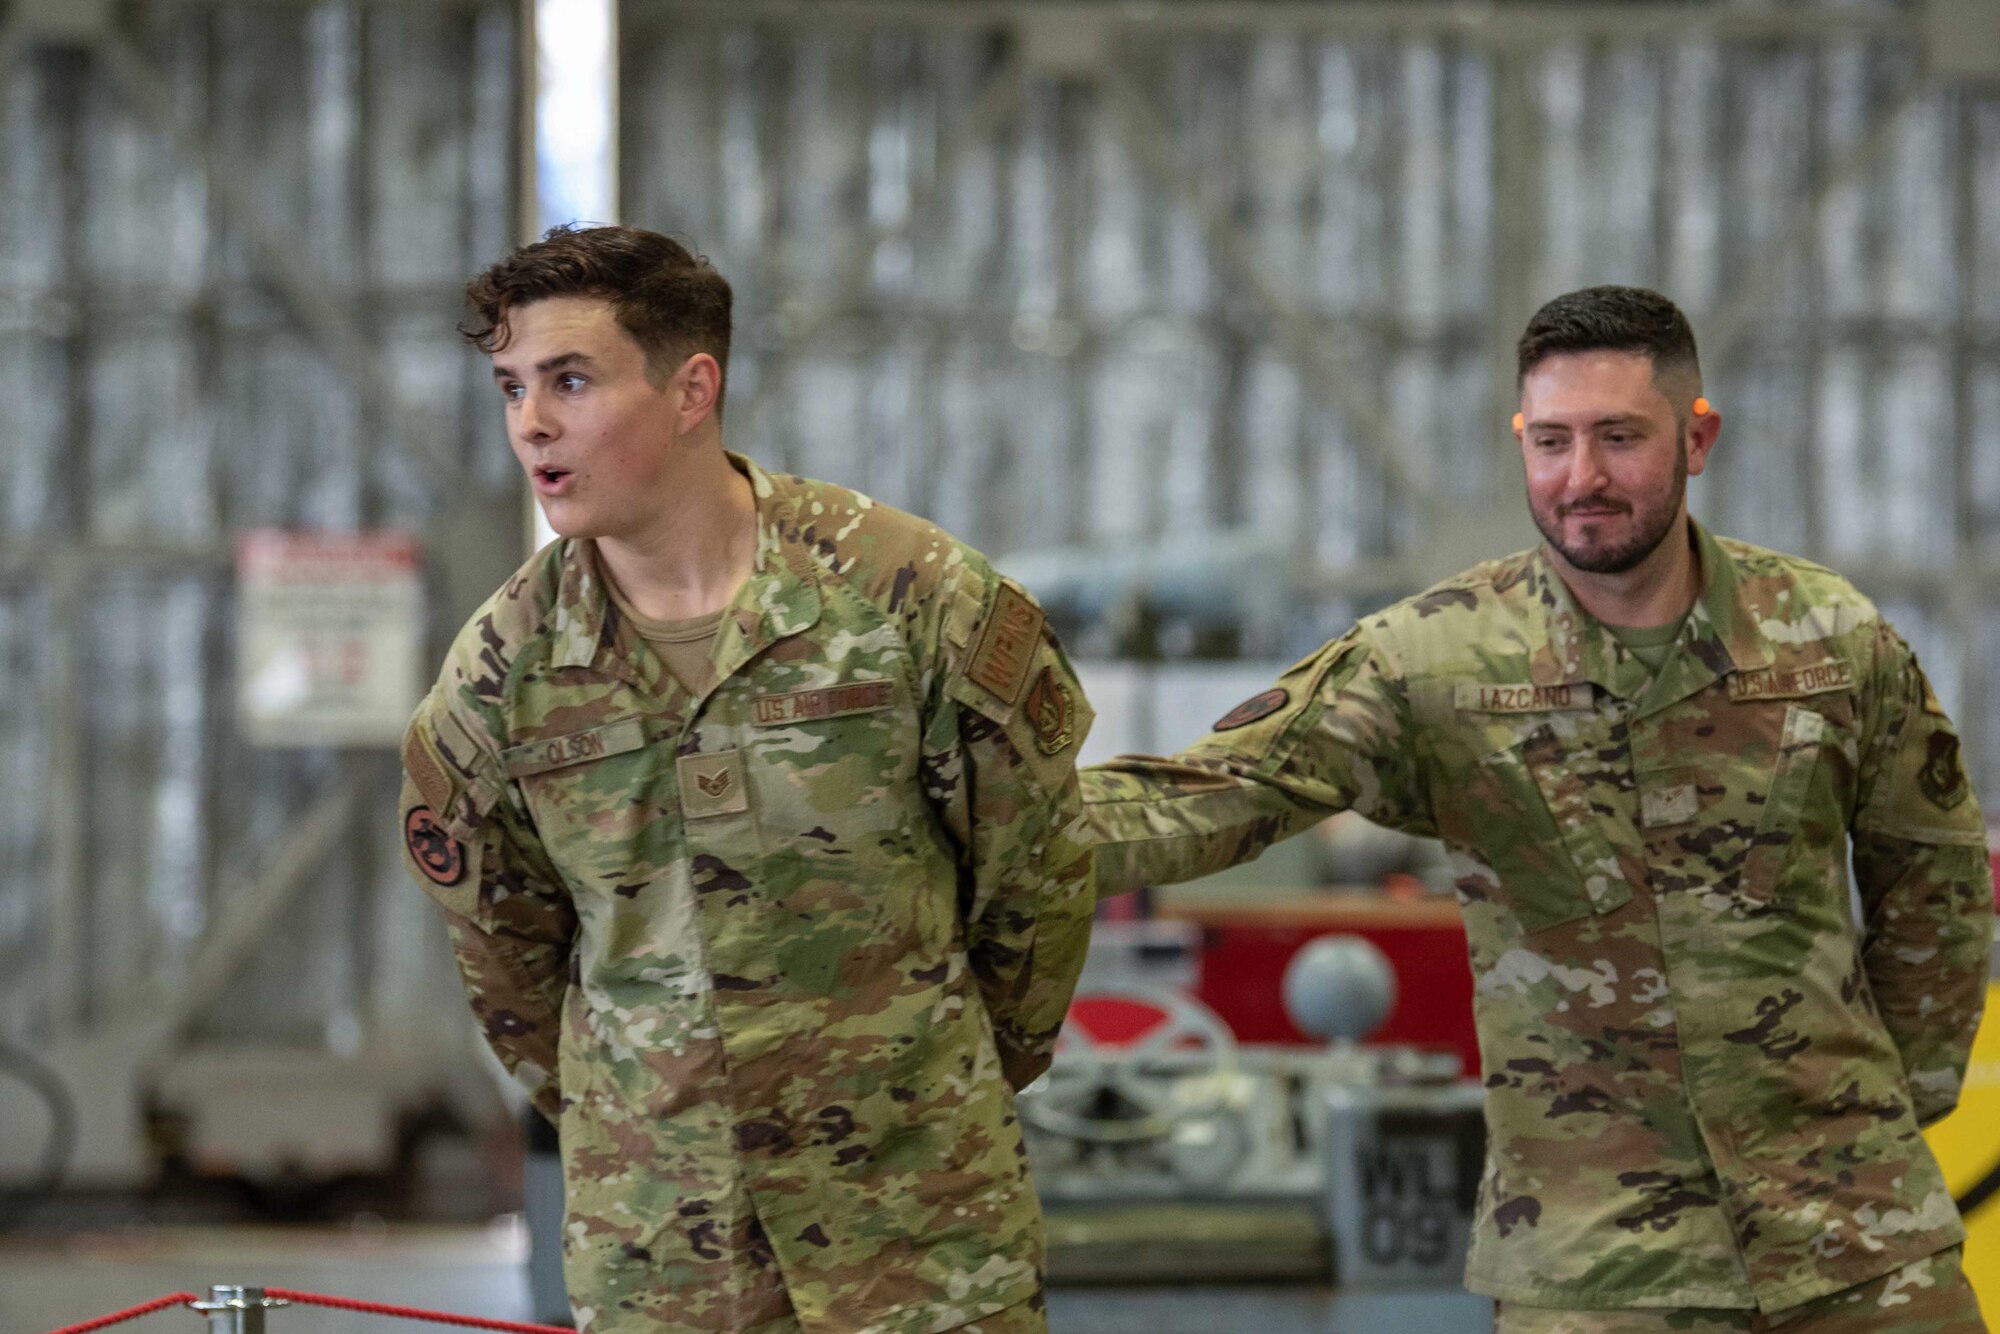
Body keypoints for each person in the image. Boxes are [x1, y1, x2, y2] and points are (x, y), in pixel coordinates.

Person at [1083, 286, 1993, 1332]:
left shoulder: (1825, 638)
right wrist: (980, 826)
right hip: (1595, 1264)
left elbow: (1933, 875)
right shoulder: (1434, 657)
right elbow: (1215, 792)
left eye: (1619, 437)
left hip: (1856, 1245)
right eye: (1550, 439)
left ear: (1695, 438)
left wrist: (1887, 1099)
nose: (1581, 478)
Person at [397, 224, 1095, 1334]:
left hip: (919, 1235)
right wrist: (648, 1117)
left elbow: (1035, 873)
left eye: (569, 381)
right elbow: (505, 955)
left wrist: (946, 1074)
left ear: (691, 389)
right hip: (666, 1259)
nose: (529, 424)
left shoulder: (907, 595)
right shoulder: (503, 670)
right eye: (511, 386)